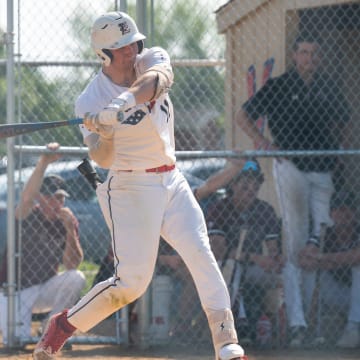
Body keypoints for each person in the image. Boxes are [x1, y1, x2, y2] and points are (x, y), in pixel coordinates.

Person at [33, 12, 246, 360]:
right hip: (131, 188)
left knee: (201, 252)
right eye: (121, 47)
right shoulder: (88, 101)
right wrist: (106, 132)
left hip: (171, 179)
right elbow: (102, 159)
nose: (131, 50)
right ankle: (63, 326)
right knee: (132, 282)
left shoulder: (151, 59)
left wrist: (120, 105)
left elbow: (158, 79)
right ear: (104, 54)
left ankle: (227, 344)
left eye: (133, 42)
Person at [236, 33, 351, 346]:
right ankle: (297, 323)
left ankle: (310, 325)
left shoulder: (328, 85)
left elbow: (345, 120)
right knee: (295, 240)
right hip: (292, 165)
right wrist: (265, 144)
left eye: (314, 53)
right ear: (294, 54)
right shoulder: (280, 86)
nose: (309, 58)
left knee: (318, 242)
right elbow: (243, 115)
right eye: (303, 52)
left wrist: (339, 149)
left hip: (323, 169)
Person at [0, 142, 85, 345]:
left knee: (76, 277)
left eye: (60, 199)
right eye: (50, 197)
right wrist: (44, 162)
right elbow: (27, 198)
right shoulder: (29, 214)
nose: (56, 204)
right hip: (12, 291)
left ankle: (50, 331)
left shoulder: (66, 221)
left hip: (44, 288)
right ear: (40, 198)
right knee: (18, 341)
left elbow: (72, 265)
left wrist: (69, 230)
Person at [204, 159, 284, 345]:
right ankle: (235, 324)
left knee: (288, 271)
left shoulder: (265, 209)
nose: (250, 189)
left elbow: (273, 247)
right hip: (227, 269)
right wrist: (254, 257)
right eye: (245, 184)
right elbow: (219, 251)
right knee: (233, 267)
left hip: (256, 269)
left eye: (254, 184)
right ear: (233, 184)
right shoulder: (219, 208)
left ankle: (291, 327)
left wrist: (274, 258)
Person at [298, 190, 360, 348]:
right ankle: (308, 326)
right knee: (308, 272)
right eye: (338, 209)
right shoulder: (325, 233)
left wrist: (322, 258)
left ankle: (353, 328)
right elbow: (304, 259)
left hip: (356, 296)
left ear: (355, 213)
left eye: (348, 209)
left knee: (358, 267)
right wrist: (341, 260)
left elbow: (357, 256)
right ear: (331, 213)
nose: (343, 213)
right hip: (334, 294)